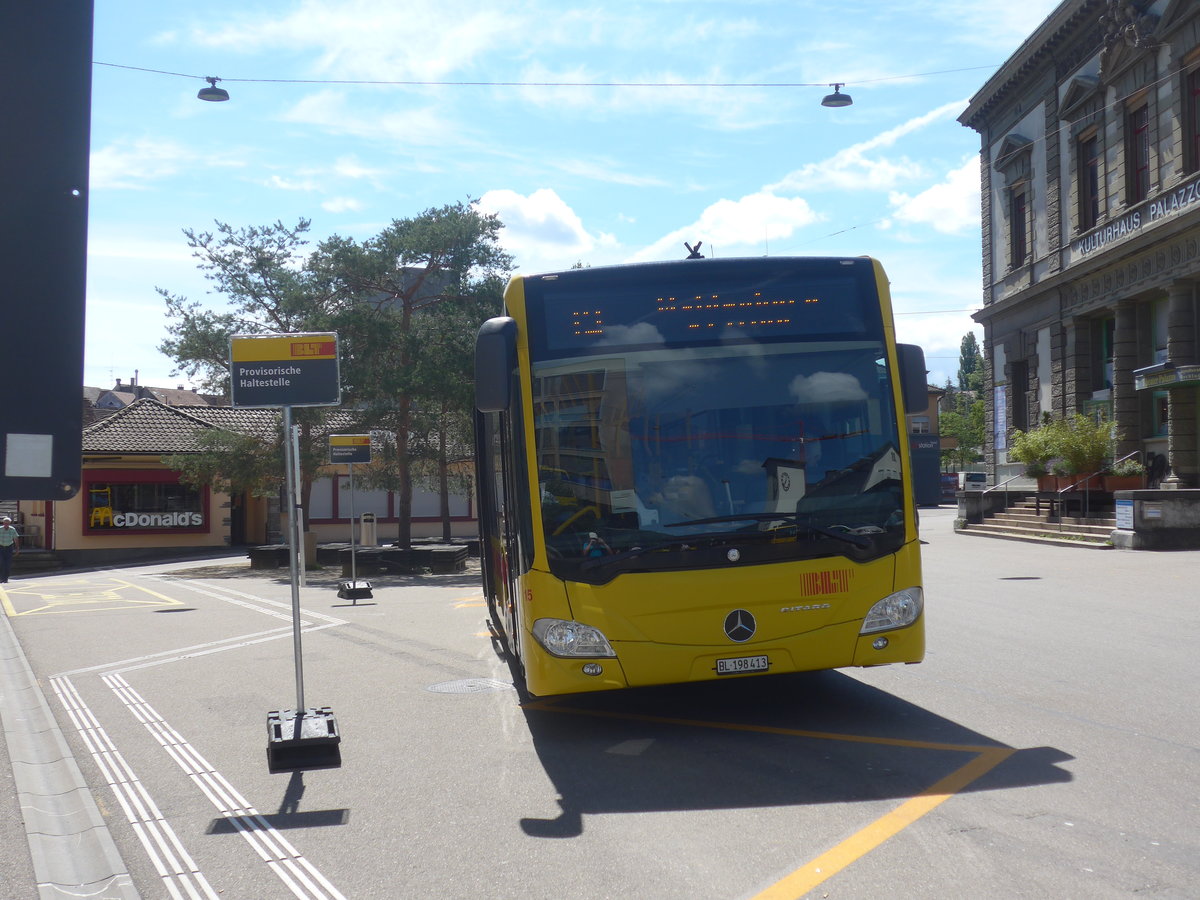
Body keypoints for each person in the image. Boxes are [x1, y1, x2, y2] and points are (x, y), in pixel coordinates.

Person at [0, 516, 19, 584]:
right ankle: (1, 578)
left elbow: (16, 539)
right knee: (1, 563)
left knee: (7, 564)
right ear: (3, 523)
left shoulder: (12, 529)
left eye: (8, 524)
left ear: (9, 524)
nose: (6, 525)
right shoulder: (0, 529)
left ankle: (6, 578)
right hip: (1, 547)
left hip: (9, 547)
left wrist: (17, 549)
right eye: (5, 523)